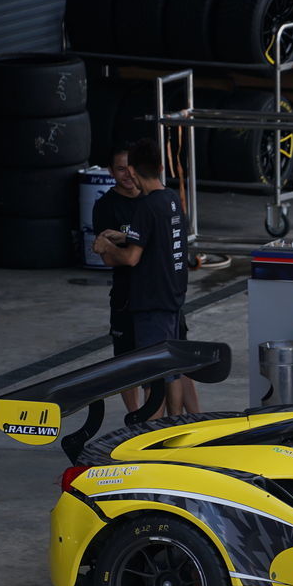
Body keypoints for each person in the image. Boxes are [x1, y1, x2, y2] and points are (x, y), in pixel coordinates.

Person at [93, 138, 192, 418]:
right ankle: (174, 426)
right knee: (171, 371)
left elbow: (130, 258)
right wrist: (124, 236)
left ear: (133, 171)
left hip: (150, 303)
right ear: (160, 167)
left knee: (152, 377)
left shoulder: (145, 207)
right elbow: (157, 237)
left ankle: (153, 438)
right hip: (173, 298)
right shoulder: (171, 199)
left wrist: (107, 246)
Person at [92, 146, 142, 412]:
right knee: (126, 362)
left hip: (157, 293)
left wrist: (123, 245)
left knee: (168, 364)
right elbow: (108, 259)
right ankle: (135, 418)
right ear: (111, 172)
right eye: (120, 168)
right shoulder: (105, 206)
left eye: (131, 167)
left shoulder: (153, 199)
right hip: (125, 295)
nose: (128, 174)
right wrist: (136, 251)